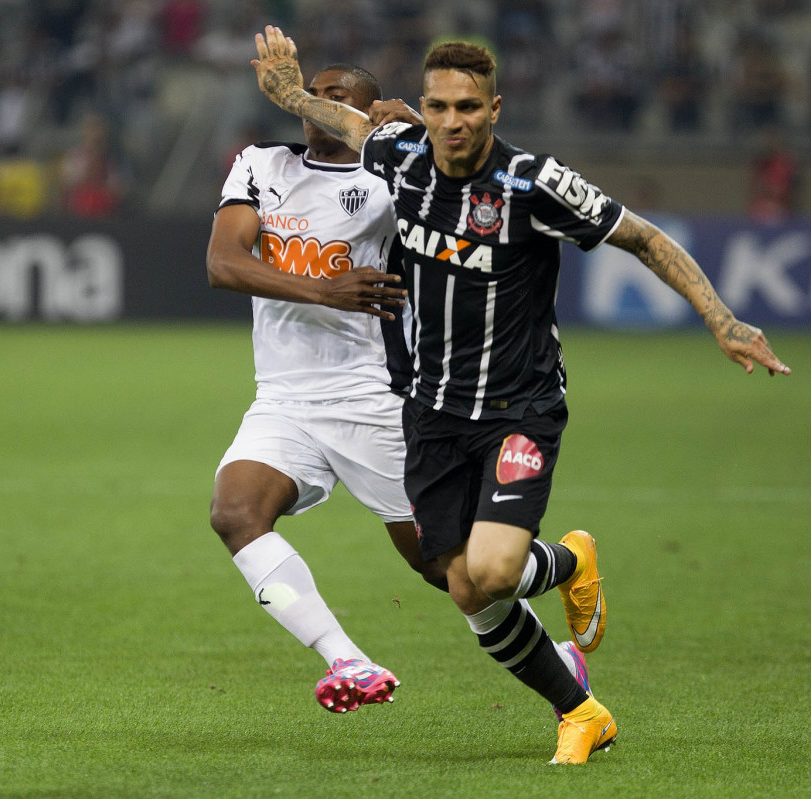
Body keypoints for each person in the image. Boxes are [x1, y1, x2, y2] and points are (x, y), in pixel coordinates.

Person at [250, 27, 790, 762]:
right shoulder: (398, 157)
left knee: (497, 571)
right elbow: (335, 117)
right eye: (439, 106)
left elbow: (645, 239)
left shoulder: (534, 184)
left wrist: (721, 319)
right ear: (424, 111)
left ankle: (561, 576)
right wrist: (284, 88)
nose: (451, 121)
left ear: (494, 108)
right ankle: (581, 690)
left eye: (468, 107)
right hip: (432, 412)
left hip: (519, 410)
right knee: (466, 588)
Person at [207, 62, 591, 716]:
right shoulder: (261, 165)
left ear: (365, 112)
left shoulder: (396, 179)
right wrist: (323, 288)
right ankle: (346, 658)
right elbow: (224, 263)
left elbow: (472, 176)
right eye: (314, 95)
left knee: (452, 572)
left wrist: (418, 127)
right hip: (283, 400)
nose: (320, 106)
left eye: (338, 98)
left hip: (379, 399)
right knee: (235, 513)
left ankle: (563, 572)